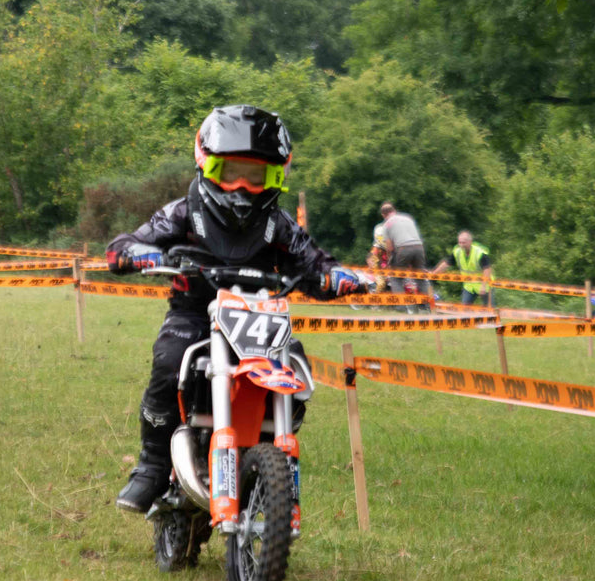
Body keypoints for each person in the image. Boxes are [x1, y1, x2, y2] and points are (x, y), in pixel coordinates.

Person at [107, 105, 363, 513]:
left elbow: (314, 262)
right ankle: (152, 466)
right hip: (194, 313)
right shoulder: (182, 212)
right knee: (170, 362)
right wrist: (138, 255)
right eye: (231, 173)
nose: (242, 186)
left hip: (261, 319)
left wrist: (337, 277)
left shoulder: (279, 225)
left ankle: (265, 456)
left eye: (255, 175)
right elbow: (124, 245)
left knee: (295, 371)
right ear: (206, 164)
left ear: (276, 175)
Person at [433, 230, 495, 306]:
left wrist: (483, 286)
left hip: (484, 285)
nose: (461, 245)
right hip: (468, 286)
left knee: (491, 311)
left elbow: (487, 269)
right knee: (464, 310)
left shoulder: (480, 253)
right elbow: (446, 263)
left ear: (470, 242)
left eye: (464, 243)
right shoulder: (457, 251)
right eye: (460, 242)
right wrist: (434, 273)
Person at [378, 202, 426, 295]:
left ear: (383, 215)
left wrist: (390, 261)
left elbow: (390, 247)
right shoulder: (408, 218)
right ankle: (427, 305)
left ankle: (401, 306)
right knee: (420, 277)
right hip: (419, 247)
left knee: (396, 277)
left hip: (403, 248)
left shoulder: (387, 224)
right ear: (394, 210)